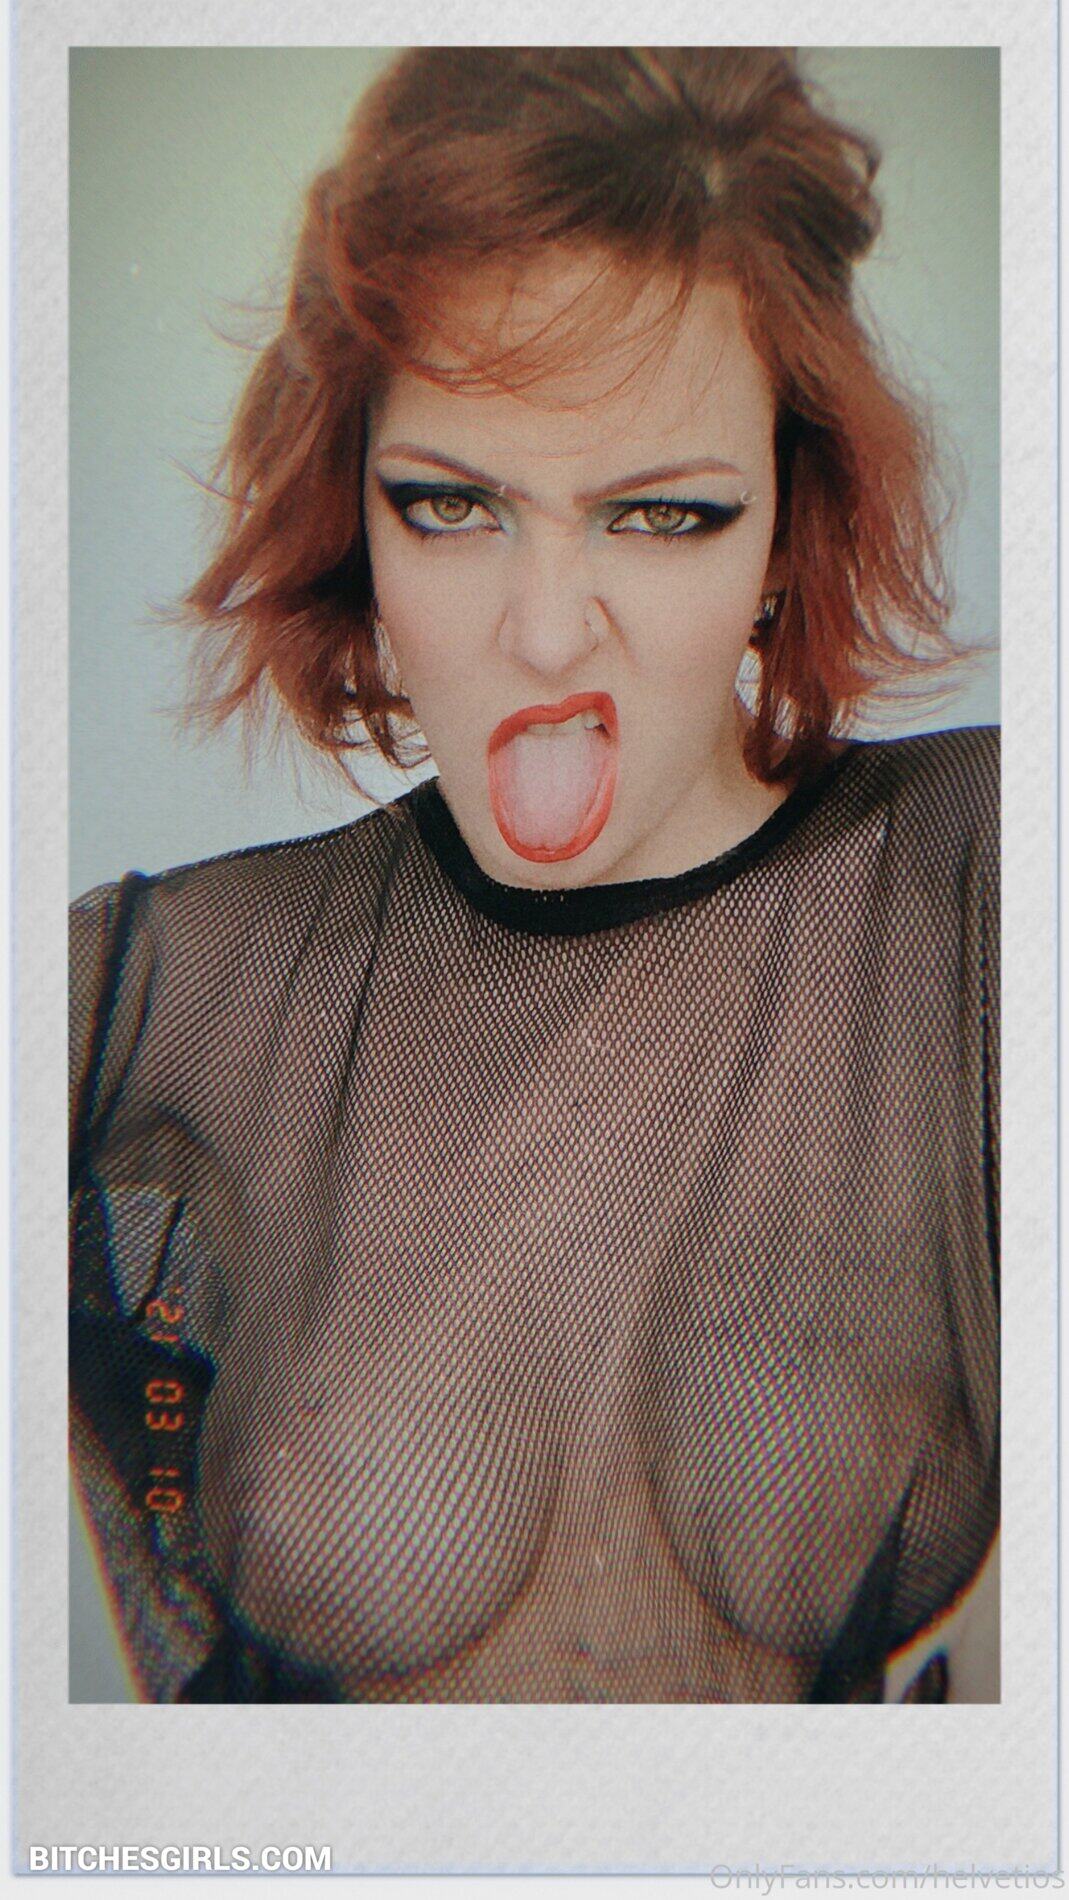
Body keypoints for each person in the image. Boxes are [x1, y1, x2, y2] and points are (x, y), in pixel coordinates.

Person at [69, 46, 999, 1704]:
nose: (550, 633)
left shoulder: (977, 895)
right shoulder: (156, 993)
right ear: (353, 512)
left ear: (787, 524)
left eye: (661, 516)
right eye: (449, 505)